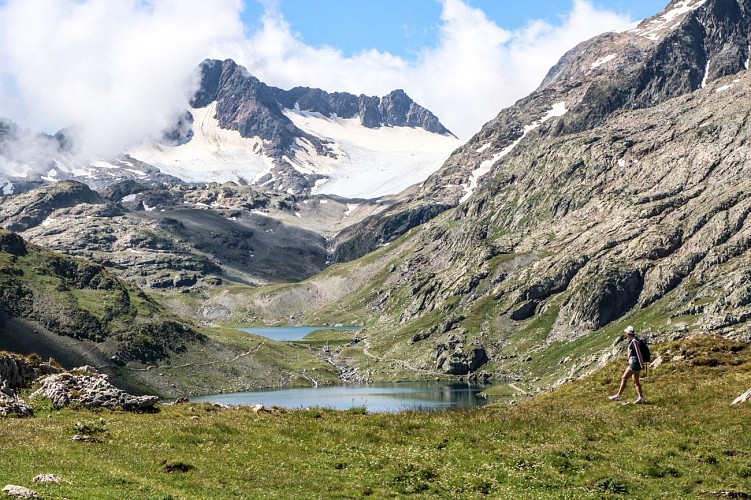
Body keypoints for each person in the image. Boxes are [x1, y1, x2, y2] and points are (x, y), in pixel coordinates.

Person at [608, 325, 646, 404]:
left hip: (635, 363)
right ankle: (640, 398)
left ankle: (619, 395)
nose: (625, 334)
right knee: (635, 381)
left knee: (624, 378)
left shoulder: (634, 341)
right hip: (636, 363)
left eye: (626, 333)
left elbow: (638, 353)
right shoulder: (634, 340)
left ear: (629, 334)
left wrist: (641, 363)